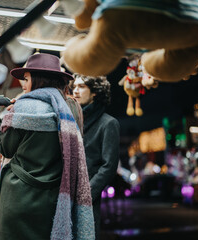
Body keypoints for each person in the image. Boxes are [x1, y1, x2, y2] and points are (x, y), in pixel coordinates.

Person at [0, 53, 95, 240]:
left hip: (18, 198)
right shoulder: (68, 108)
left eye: (26, 78)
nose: (23, 83)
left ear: (38, 79)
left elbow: (5, 147)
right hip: (50, 200)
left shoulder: (25, 107)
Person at [70, 74, 120, 240]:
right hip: (62, 194)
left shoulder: (108, 123)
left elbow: (109, 166)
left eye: (82, 86)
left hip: (87, 197)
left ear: (95, 93)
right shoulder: (70, 120)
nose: (75, 90)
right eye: (74, 86)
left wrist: (86, 193)